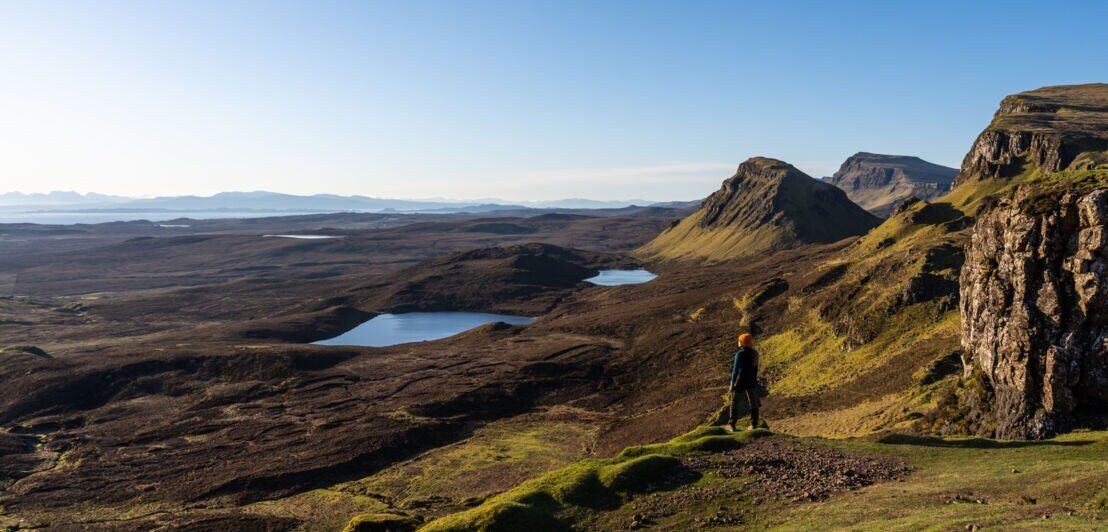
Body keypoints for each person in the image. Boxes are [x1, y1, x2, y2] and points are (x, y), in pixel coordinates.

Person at [727, 333, 759, 431]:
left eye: (739, 340)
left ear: (742, 343)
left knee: (734, 403)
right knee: (753, 403)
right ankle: (753, 424)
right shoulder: (755, 353)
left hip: (740, 381)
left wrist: (732, 383)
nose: (738, 342)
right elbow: (756, 369)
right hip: (752, 380)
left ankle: (731, 425)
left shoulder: (739, 354)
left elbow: (735, 370)